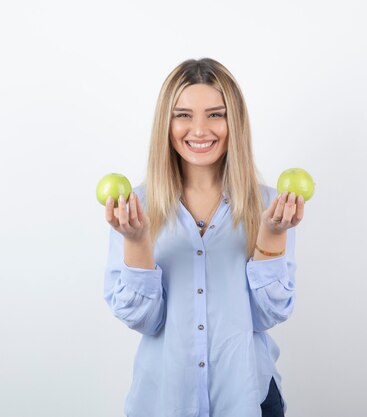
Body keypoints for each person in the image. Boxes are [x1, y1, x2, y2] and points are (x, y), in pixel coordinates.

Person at [102, 58, 305, 417]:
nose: (199, 129)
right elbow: (145, 321)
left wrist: (271, 235)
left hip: (247, 398)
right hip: (164, 402)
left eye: (215, 114)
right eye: (183, 115)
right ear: (166, 123)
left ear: (234, 122)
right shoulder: (134, 208)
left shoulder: (272, 206)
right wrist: (137, 240)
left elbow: (267, 315)